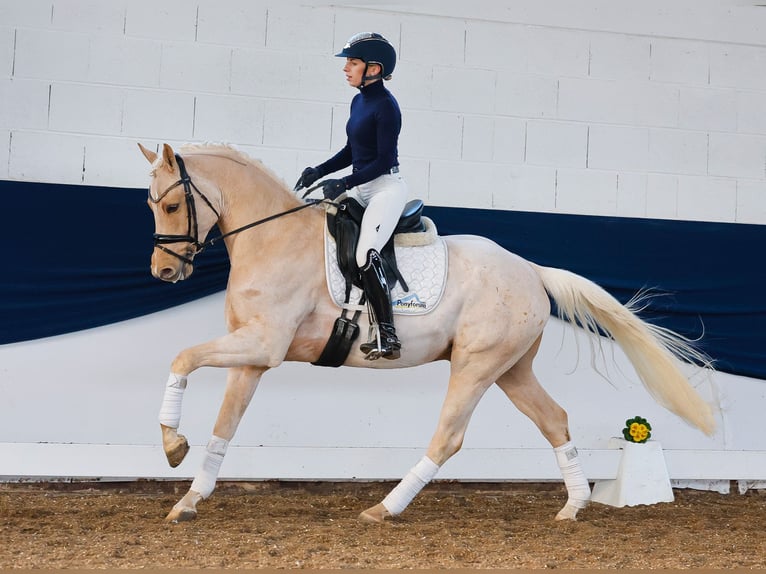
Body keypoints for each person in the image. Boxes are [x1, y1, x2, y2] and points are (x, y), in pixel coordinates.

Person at [294, 32, 407, 361]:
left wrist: (345, 183)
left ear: (373, 69)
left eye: (352, 63)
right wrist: (321, 170)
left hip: (385, 187)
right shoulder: (359, 101)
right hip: (361, 184)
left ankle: (387, 334)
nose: (346, 68)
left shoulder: (387, 107)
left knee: (366, 253)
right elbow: (352, 150)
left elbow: (384, 160)